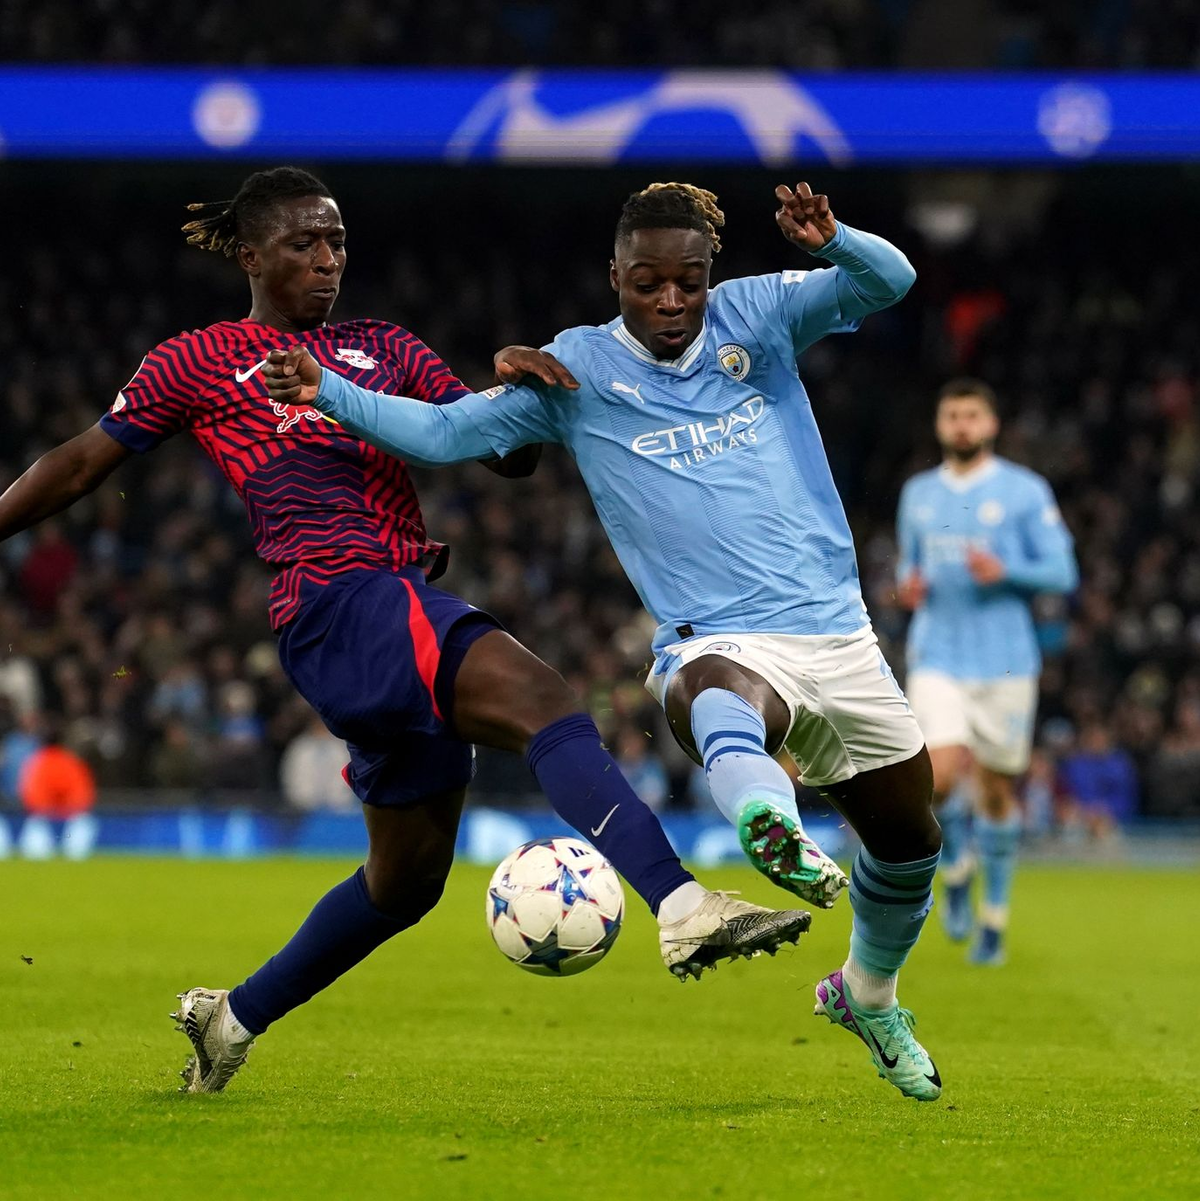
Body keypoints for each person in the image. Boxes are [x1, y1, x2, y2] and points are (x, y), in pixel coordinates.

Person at [0, 168, 810, 1095]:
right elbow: (78, 464)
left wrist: (515, 391)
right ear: (252, 253)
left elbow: (497, 450)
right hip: (338, 601)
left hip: (389, 604)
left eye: (337, 240)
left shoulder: (382, 346)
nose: (327, 258)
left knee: (407, 882)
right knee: (547, 700)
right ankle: (680, 901)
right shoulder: (199, 357)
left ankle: (230, 1017)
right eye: (305, 242)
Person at [265, 180, 946, 1101]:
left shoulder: (764, 312)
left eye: (689, 283)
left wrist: (834, 241)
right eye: (647, 284)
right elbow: (440, 431)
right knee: (721, 694)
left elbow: (892, 280)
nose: (670, 303)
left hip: (840, 634)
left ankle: (867, 993)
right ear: (614, 277)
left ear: (711, 275)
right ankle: (767, 822)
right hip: (719, 637)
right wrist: (326, 389)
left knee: (910, 849)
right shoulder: (574, 371)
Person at [896, 379, 1078, 965]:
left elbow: (1062, 571)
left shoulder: (1024, 491)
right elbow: (908, 567)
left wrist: (1007, 571)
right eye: (952, 415)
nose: (962, 426)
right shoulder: (918, 493)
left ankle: (993, 919)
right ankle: (953, 868)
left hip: (1005, 658)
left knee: (998, 791)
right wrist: (908, 586)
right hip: (937, 652)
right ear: (940, 424)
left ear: (991, 425)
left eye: (972, 415)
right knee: (939, 776)